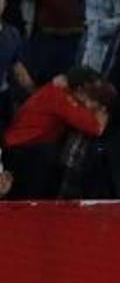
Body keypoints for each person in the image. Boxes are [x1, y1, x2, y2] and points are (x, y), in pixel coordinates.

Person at [2, 67, 110, 199]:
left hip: (26, 149)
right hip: (21, 152)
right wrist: (101, 112)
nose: (92, 102)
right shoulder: (60, 97)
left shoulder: (57, 91)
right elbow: (96, 127)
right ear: (80, 90)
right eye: (91, 95)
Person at [0, 0, 35, 132]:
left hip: (3, 98)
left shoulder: (12, 34)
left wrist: (35, 93)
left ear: (4, 5)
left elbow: (18, 68)